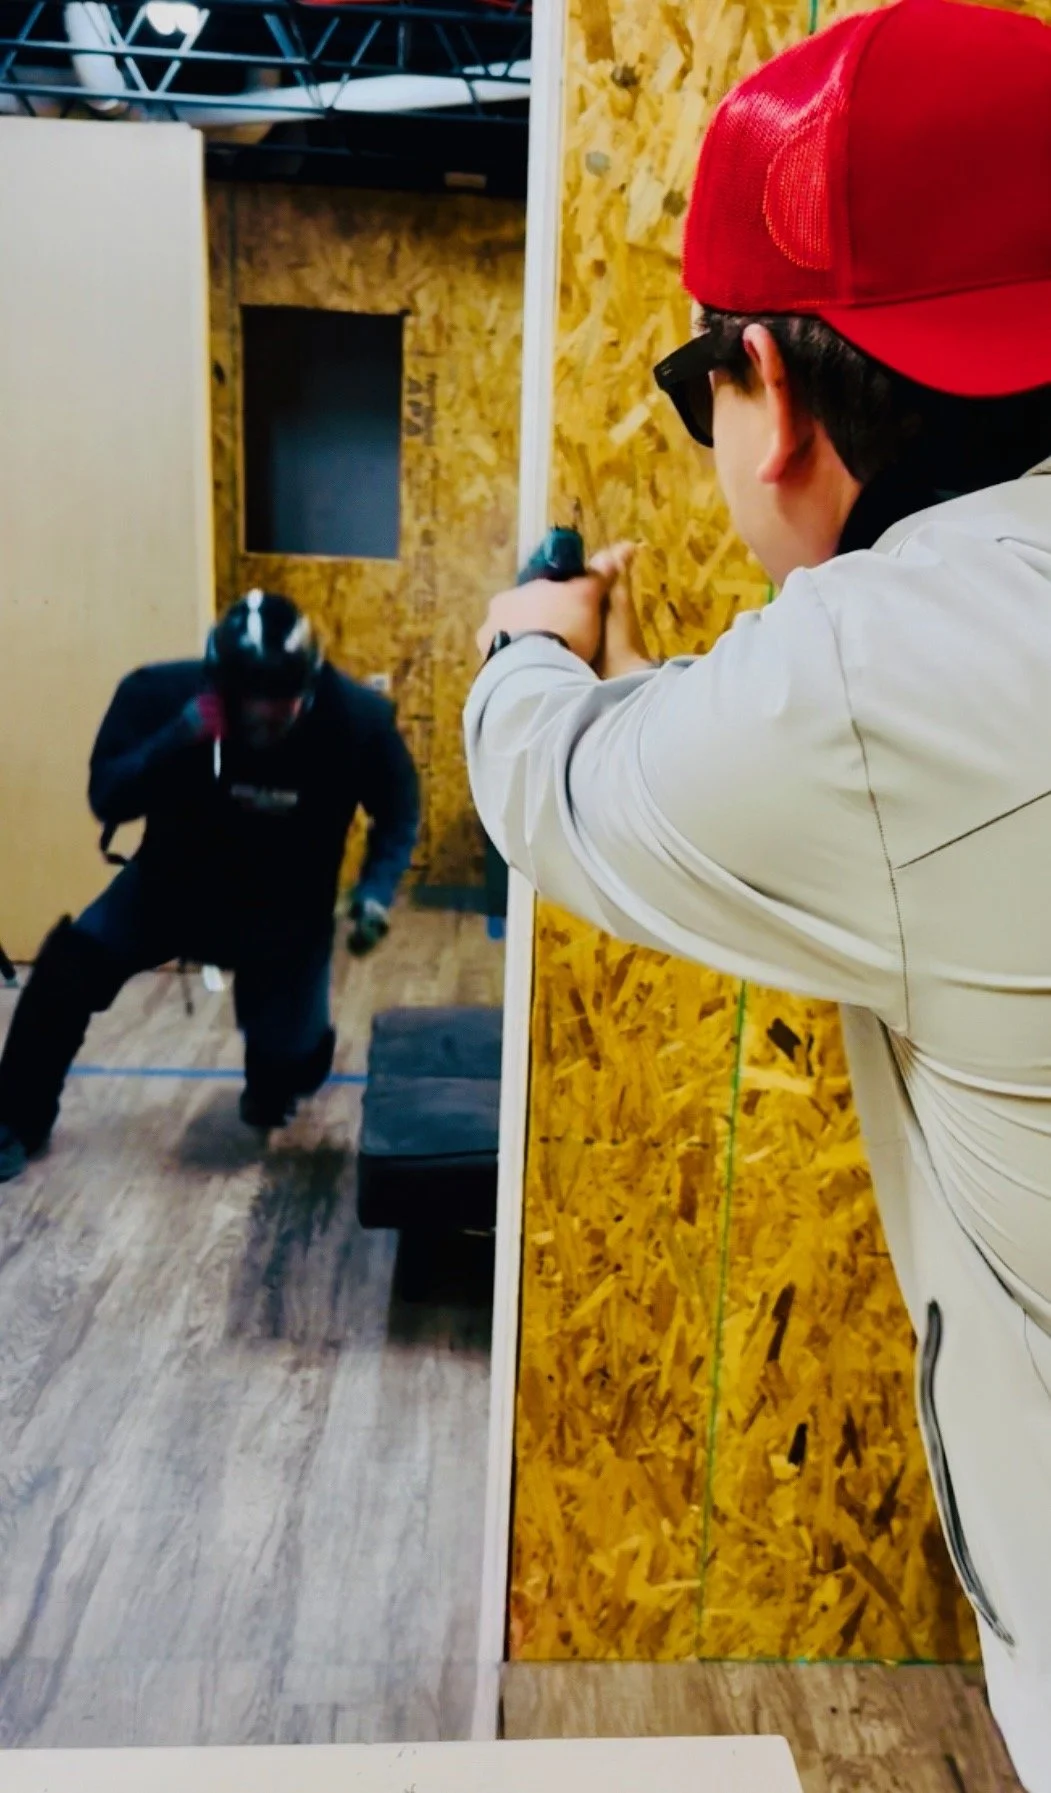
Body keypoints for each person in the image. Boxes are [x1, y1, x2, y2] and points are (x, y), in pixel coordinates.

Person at [465, 1, 1051, 1784]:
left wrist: (528, 643)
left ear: (773, 395)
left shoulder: (876, 677)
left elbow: (552, 788)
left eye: (696, 384)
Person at [0, 591, 419, 1181]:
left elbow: (398, 811)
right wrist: (177, 736)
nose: (269, 716)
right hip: (169, 886)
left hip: (286, 909)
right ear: (218, 690)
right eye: (253, 703)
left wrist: (375, 890)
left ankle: (276, 1076)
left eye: (284, 702)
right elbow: (108, 798)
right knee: (67, 970)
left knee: (293, 1067)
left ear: (310, 683)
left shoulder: (356, 719)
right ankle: (15, 1120)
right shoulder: (159, 695)